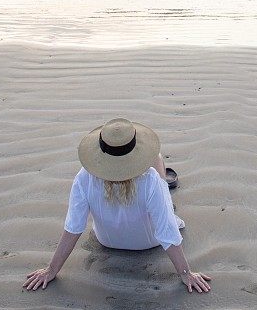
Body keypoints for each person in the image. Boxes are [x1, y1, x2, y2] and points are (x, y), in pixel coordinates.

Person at [23, 118, 211, 293]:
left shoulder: (84, 177)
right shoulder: (150, 179)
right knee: (158, 159)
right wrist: (186, 274)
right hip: (149, 243)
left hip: (106, 240)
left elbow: (73, 228)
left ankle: (162, 193)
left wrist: (51, 269)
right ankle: (166, 190)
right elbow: (167, 231)